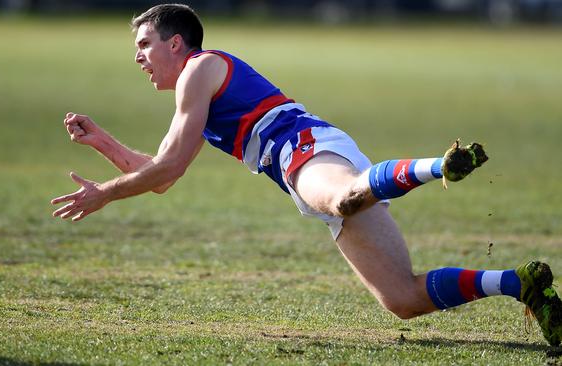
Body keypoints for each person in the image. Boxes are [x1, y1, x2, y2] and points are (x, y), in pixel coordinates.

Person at [51, 4, 561, 346]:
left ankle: (439, 165)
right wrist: (104, 143)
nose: (138, 57)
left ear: (177, 43)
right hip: (303, 159)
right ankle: (520, 283)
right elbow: (161, 176)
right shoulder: (196, 87)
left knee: (340, 199)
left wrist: (105, 196)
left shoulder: (199, 69)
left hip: (302, 148)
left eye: (144, 44)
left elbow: (169, 167)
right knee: (402, 299)